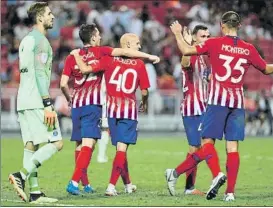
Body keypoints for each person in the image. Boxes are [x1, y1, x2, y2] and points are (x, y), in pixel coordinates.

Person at [166, 11, 273, 201]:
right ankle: (230, 193)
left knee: (207, 145)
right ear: (239, 26)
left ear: (222, 25)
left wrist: (177, 34)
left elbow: (186, 51)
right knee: (232, 148)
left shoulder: (215, 43)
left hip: (217, 102)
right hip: (237, 104)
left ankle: (176, 173)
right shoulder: (248, 48)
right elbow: (265, 68)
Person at [60, 24, 159, 195]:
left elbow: (64, 82)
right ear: (92, 38)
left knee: (80, 145)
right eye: (98, 34)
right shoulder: (104, 53)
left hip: (84, 106)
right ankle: (84, 183)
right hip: (110, 107)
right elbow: (143, 88)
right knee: (109, 147)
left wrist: (69, 98)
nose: (100, 37)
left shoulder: (82, 57)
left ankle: (93, 184)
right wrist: (149, 56)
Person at [9, 2, 63, 203]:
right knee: (57, 143)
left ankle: (35, 192)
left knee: (31, 145)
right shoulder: (41, 42)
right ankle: (20, 176)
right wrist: (48, 104)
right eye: (49, 14)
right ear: (40, 18)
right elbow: (40, 74)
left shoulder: (25, 40)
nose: (52, 17)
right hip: (37, 101)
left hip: (23, 99)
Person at [166, 25, 211, 197]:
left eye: (208, 36)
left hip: (204, 107)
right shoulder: (191, 56)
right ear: (194, 38)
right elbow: (185, 62)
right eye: (202, 36)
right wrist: (184, 41)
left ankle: (187, 186)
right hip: (192, 108)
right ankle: (181, 179)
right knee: (197, 147)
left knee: (199, 147)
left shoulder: (201, 58)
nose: (206, 39)